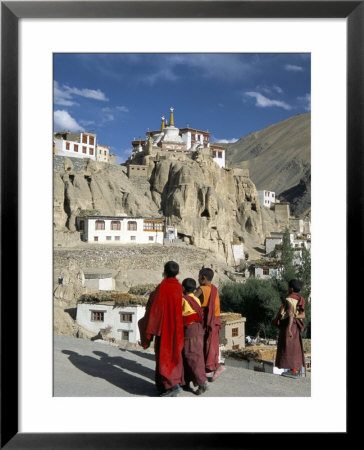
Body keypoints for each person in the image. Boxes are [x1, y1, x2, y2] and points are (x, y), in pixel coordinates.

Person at [138, 261, 185, 396]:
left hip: (164, 328)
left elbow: (155, 307)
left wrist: (149, 328)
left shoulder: (162, 287)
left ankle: (171, 386)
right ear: (178, 272)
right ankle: (170, 385)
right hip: (176, 328)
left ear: (164, 271)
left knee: (164, 356)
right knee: (174, 354)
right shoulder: (178, 286)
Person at [194, 267, 226, 382]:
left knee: (206, 346)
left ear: (203, 278)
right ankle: (209, 368)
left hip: (208, 321)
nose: (198, 279)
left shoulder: (202, 289)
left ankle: (216, 367)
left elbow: (190, 299)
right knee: (211, 345)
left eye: (199, 276)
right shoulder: (213, 289)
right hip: (215, 321)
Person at [181, 278, 208, 395]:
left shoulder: (183, 300)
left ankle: (202, 383)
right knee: (193, 356)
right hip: (198, 329)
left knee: (191, 357)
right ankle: (185, 382)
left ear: (183, 288)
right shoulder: (196, 299)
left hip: (189, 331)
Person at [274, 279, 306, 378]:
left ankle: (292, 371)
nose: (287, 289)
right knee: (295, 349)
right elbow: (303, 315)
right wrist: (296, 318)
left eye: (288, 287)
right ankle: (294, 370)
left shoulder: (289, 299)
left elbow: (291, 314)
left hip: (290, 325)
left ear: (291, 289)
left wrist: (288, 329)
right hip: (296, 326)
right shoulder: (300, 298)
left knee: (288, 349)